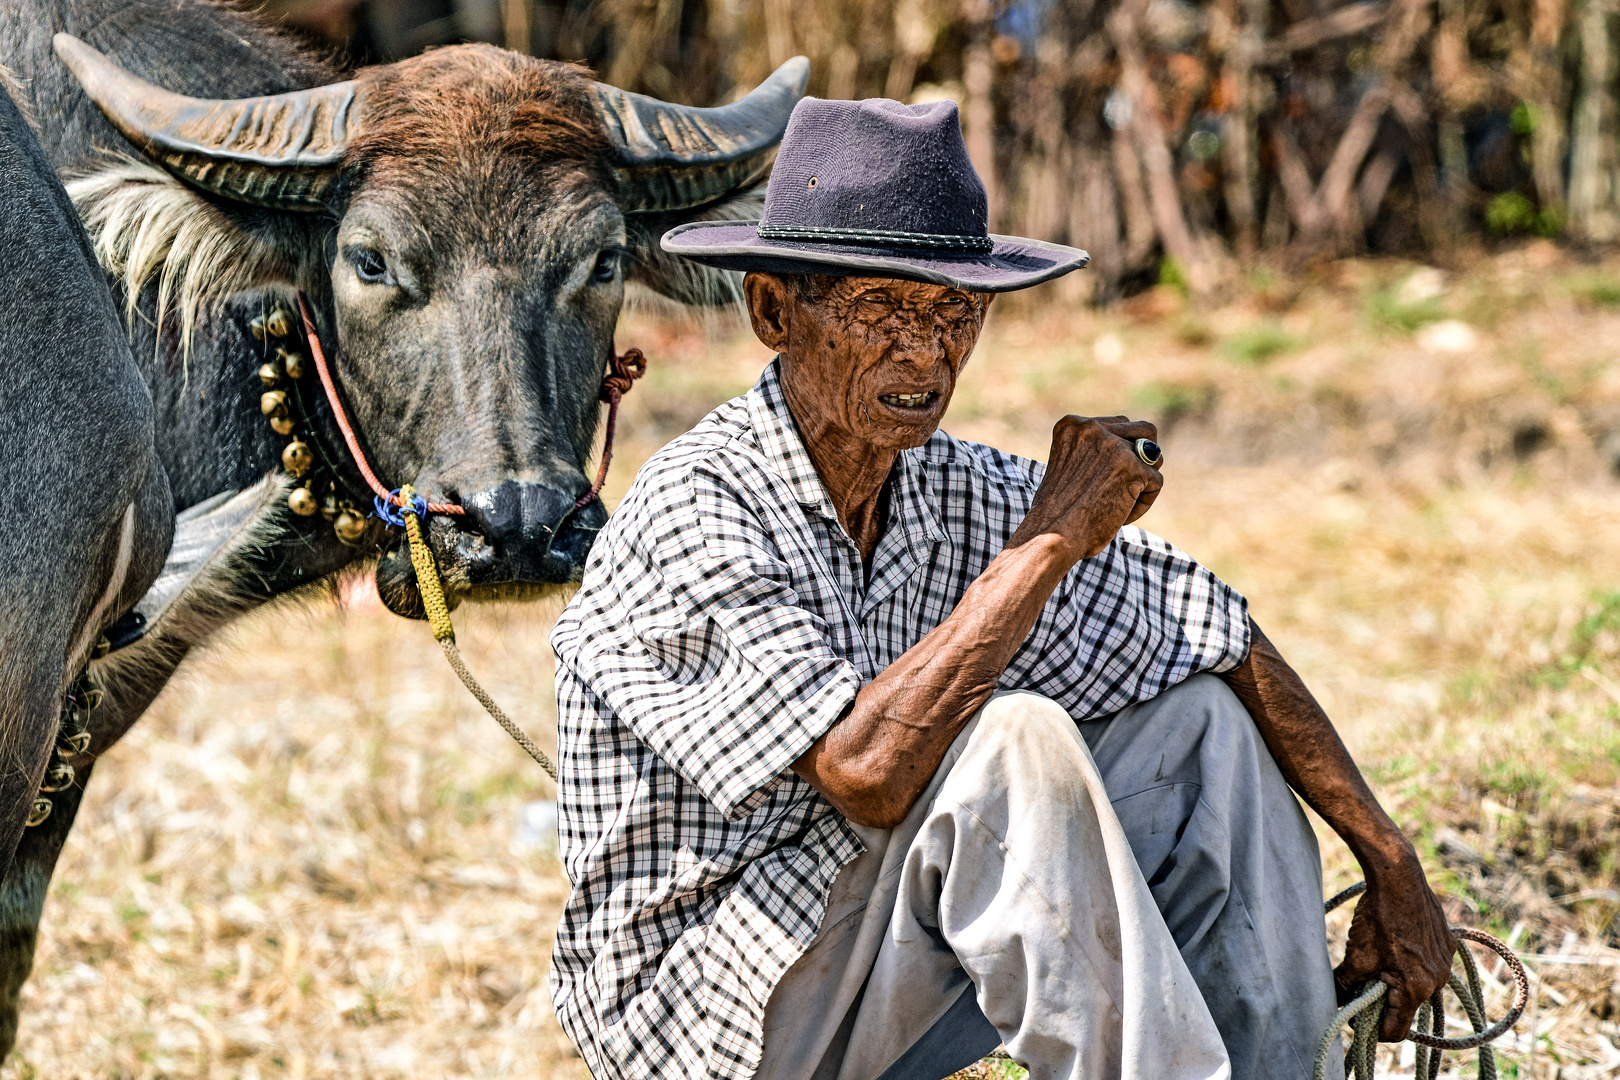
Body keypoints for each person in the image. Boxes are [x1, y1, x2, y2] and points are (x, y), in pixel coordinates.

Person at [546, 96, 1454, 1080]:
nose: (926, 355)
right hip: (702, 1007)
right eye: (882, 308)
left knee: (1202, 728)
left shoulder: (947, 480)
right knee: (1014, 744)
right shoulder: (699, 503)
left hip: (862, 945)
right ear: (774, 310)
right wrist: (1048, 544)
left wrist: (1392, 863)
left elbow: (1213, 629)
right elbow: (868, 771)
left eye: (952, 313)